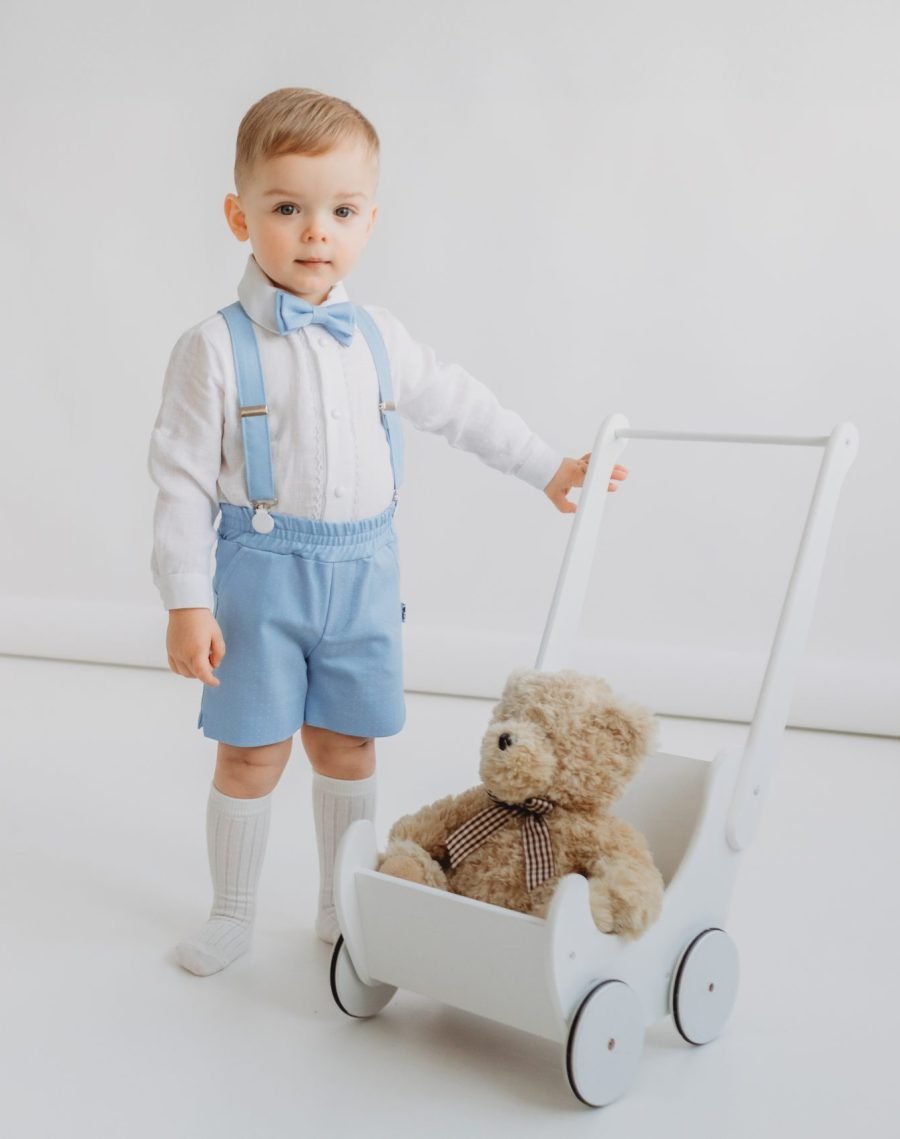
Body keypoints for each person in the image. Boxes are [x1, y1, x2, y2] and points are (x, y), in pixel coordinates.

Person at [148, 87, 628, 977]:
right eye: (287, 207)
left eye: (341, 210)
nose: (314, 230)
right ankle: (234, 910)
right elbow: (178, 479)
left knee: (348, 743)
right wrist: (185, 599)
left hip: (364, 574)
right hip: (260, 575)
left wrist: (547, 468)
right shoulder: (212, 348)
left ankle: (341, 904)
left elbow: (463, 407)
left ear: (371, 220)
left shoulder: (378, 336)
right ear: (239, 215)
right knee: (251, 751)